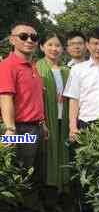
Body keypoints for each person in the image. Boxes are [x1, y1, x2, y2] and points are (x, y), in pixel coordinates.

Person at [0, 22, 46, 170]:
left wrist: (42, 123)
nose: (29, 40)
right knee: (21, 175)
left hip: (36, 128)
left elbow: (34, 99)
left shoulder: (33, 65)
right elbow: (5, 98)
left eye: (33, 37)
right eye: (23, 36)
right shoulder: (7, 65)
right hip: (20, 129)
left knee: (35, 173)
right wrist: (10, 130)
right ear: (12, 40)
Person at [36, 33, 71, 195]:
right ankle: (48, 191)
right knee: (46, 155)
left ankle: (62, 188)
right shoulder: (36, 68)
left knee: (63, 151)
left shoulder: (66, 71)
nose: (54, 48)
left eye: (57, 45)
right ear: (42, 47)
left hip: (62, 118)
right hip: (44, 119)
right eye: (50, 45)